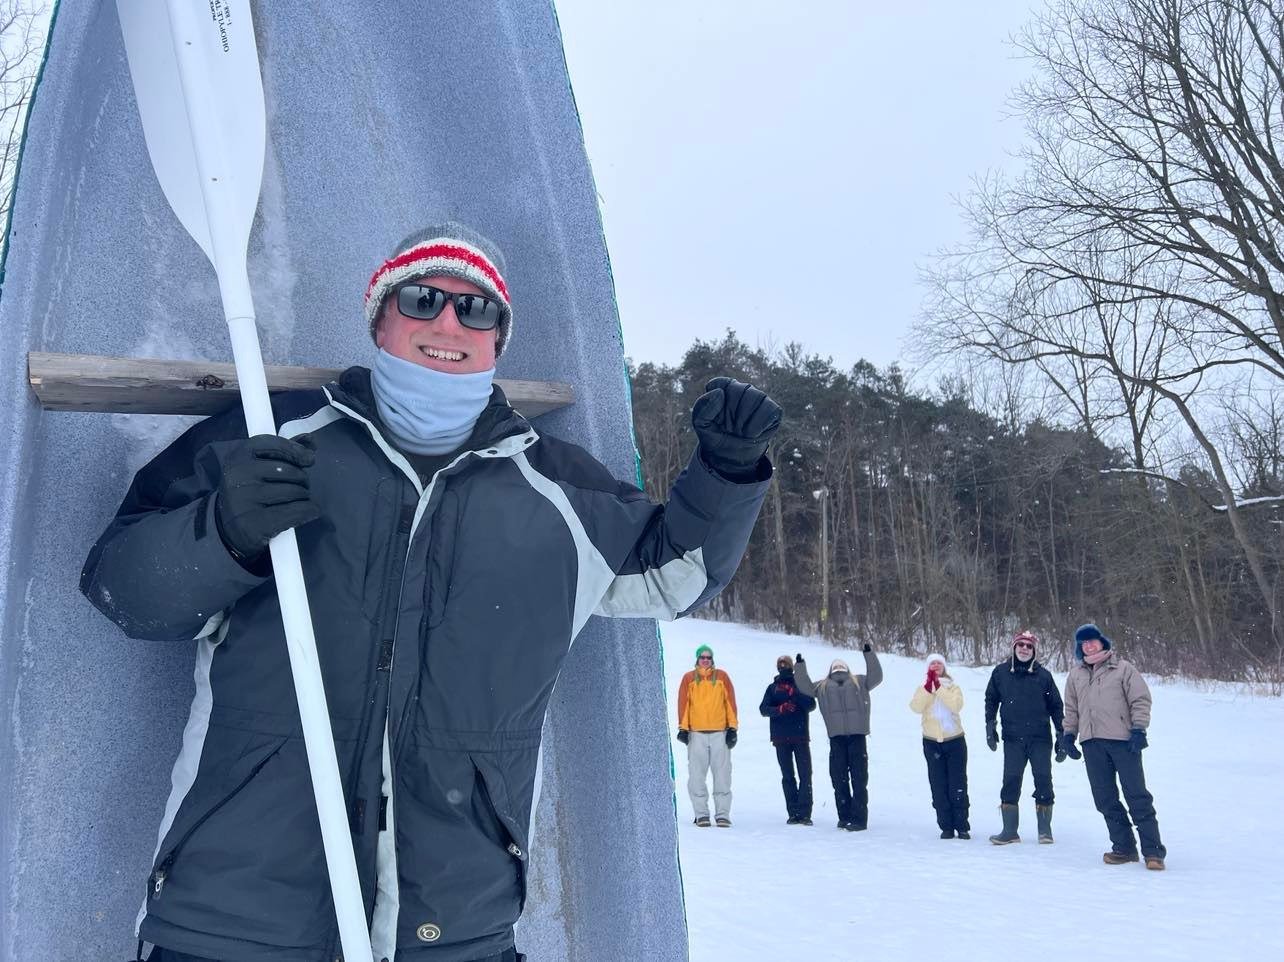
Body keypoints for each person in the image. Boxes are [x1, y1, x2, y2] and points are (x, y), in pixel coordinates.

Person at [80, 223, 780, 962]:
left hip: (452, 932)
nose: (448, 322)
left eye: (476, 309)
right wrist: (221, 531)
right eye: (422, 299)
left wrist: (727, 472)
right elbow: (121, 588)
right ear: (380, 317)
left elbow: (675, 574)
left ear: (498, 340)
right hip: (229, 924)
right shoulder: (274, 438)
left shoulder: (555, 488)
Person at [1061, 623, 1167, 871]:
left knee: (1136, 795)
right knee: (1105, 798)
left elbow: (1140, 699)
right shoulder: (1076, 675)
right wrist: (1069, 735)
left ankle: (1153, 852)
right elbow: (1072, 709)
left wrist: (1139, 729)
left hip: (1123, 742)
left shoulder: (1122, 668)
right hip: (1092, 744)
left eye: (1092, 640)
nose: (1088, 645)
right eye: (1083, 642)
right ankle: (1124, 848)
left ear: (1102, 642)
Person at [983, 630, 1065, 845]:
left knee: (1043, 780)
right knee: (1010, 781)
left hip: (1040, 739)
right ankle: (1010, 831)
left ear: (1034, 651)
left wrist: (1061, 734)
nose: (1024, 649)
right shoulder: (1000, 673)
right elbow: (991, 699)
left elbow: (1056, 706)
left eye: (1029, 646)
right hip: (1012, 738)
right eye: (1021, 645)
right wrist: (990, 725)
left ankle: (1045, 831)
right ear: (1013, 647)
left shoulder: (1044, 676)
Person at [793, 644, 883, 831]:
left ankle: (858, 819)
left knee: (856, 779)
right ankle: (845, 817)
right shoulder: (823, 686)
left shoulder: (859, 681)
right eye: (837, 667)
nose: (839, 670)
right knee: (840, 778)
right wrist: (800, 666)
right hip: (837, 739)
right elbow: (805, 687)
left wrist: (869, 654)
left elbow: (876, 676)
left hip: (857, 737)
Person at [676, 645, 740, 827]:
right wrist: (683, 728)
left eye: (708, 657)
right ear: (697, 659)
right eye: (702, 657)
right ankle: (701, 814)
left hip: (720, 733)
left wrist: (733, 729)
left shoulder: (721, 677)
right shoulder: (688, 678)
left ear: (712, 659)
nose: (705, 660)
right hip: (697, 734)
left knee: (722, 776)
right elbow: (683, 704)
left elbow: (730, 703)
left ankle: (722, 814)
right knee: (696, 776)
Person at [909, 653, 970, 839]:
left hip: (955, 741)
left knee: (957, 785)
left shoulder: (953, 687)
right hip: (932, 742)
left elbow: (955, 706)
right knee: (938, 785)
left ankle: (962, 825)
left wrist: (939, 688)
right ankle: (946, 826)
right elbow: (916, 707)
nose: (936, 665)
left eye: (939, 663)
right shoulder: (923, 688)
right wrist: (929, 688)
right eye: (932, 663)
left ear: (944, 667)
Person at [758, 654, 817, 825]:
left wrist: (796, 694)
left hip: (800, 737)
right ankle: (793, 812)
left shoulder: (801, 685)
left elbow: (811, 705)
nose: (783, 667)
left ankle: (805, 813)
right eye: (780, 664)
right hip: (780, 737)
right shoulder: (772, 688)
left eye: (786, 664)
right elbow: (763, 709)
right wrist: (780, 709)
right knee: (788, 776)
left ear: (792, 667)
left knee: (805, 774)